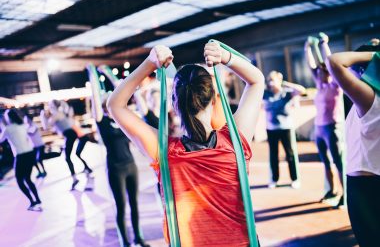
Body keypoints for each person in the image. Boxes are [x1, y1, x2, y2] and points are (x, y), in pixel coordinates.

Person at [107, 42, 265, 246]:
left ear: (175, 104)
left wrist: (150, 63)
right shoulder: (235, 142)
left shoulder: (164, 152)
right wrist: (226, 56)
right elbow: (256, 81)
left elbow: (115, 105)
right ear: (213, 100)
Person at [326, 40, 380, 247]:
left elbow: (334, 61)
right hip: (367, 183)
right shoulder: (366, 98)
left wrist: (375, 55)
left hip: (367, 188)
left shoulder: (369, 98)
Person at [89, 86, 149, 246]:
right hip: (116, 169)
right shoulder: (103, 123)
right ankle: (125, 242)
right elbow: (95, 102)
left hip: (131, 166)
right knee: (121, 207)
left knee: (135, 204)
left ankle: (138, 237)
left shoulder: (121, 120)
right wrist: (92, 81)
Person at [305, 33, 345, 206]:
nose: (318, 73)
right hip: (319, 128)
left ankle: (345, 195)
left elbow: (330, 62)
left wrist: (323, 44)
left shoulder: (335, 85)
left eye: (321, 71)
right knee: (326, 162)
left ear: (327, 72)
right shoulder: (320, 86)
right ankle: (332, 190)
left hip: (331, 127)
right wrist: (307, 47)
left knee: (338, 162)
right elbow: (311, 64)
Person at [263, 70, 306, 189]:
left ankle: (295, 179)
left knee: (290, 154)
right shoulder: (265, 93)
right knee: (273, 155)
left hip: (286, 128)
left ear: (279, 81)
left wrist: (286, 83)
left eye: (273, 80)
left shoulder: (286, 93)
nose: (271, 83)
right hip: (271, 129)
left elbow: (302, 90)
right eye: (269, 80)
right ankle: (274, 179)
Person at [41, 100, 92, 190]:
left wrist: (42, 115)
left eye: (50, 105)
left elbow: (46, 126)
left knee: (67, 157)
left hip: (70, 134)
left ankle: (75, 178)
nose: (49, 107)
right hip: (70, 134)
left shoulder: (57, 114)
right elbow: (52, 127)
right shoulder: (60, 114)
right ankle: (81, 173)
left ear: (53, 106)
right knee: (69, 157)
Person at [0, 109, 42, 210]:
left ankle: (32, 202)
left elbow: (1, 140)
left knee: (20, 181)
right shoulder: (23, 125)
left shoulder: (8, 128)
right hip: (30, 153)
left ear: (8, 118)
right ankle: (37, 199)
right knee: (28, 179)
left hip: (21, 155)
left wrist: (2, 125)